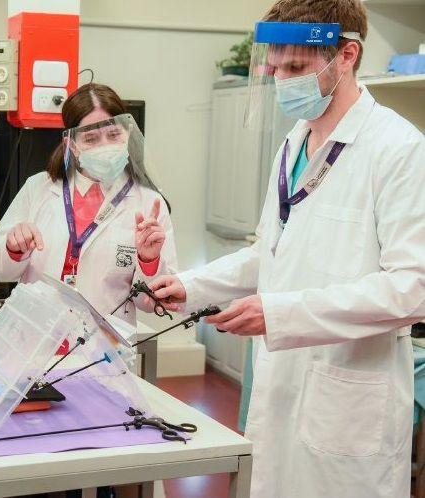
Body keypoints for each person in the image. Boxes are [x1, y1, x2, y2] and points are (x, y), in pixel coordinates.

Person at [146, 1, 424, 497]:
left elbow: (412, 289)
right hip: (281, 391)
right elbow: (269, 254)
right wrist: (189, 286)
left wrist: (280, 314)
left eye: (295, 67)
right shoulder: (293, 145)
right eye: (275, 69)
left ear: (346, 56)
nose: (282, 82)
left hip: (348, 401)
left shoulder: (399, 149)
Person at [0, 83, 178, 328]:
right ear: (72, 146)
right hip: (35, 335)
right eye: (91, 138)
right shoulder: (39, 188)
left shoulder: (149, 203)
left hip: (101, 343)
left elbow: (153, 302)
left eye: (113, 135)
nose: (105, 146)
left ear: (128, 133)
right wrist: (13, 248)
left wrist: (149, 261)